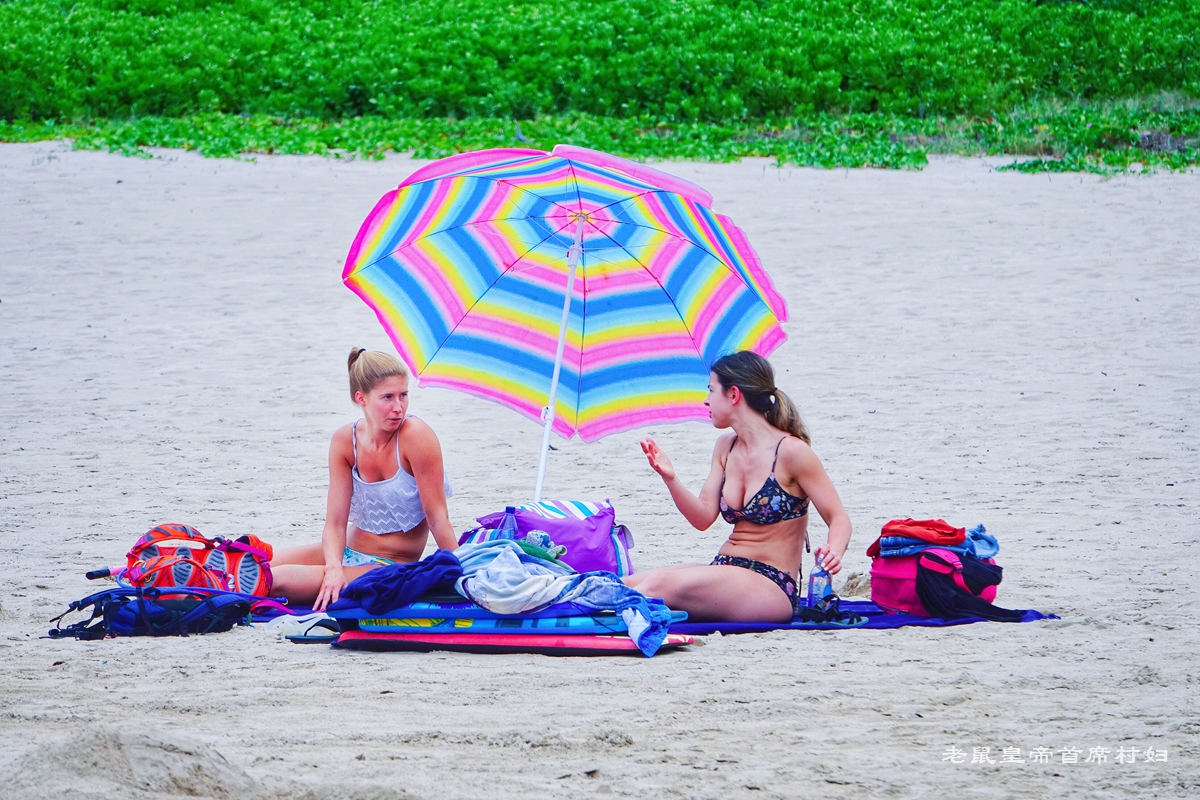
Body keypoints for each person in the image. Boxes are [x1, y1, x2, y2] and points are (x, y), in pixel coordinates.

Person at [624, 351, 851, 622]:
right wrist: (670, 478)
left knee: (658, 584)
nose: (706, 400)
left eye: (711, 390)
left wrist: (834, 551)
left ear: (733, 395)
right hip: (726, 570)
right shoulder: (725, 447)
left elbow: (838, 517)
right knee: (624, 584)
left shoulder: (791, 452)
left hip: (771, 583)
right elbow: (702, 518)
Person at [270, 348, 457, 610]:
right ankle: (196, 585)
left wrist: (462, 572)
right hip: (344, 550)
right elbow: (335, 524)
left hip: (389, 566)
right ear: (362, 398)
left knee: (276, 580)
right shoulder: (345, 441)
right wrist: (333, 567)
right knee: (258, 563)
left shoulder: (416, 437)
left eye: (404, 395)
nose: (398, 407)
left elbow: (438, 518)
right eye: (388, 397)